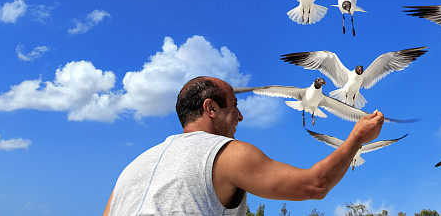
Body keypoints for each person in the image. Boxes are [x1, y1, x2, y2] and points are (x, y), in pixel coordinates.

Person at [104, 76, 385, 215]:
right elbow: (315, 185)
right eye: (234, 107)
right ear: (211, 109)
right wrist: (356, 138)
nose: (240, 116)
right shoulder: (225, 153)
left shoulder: (131, 170)